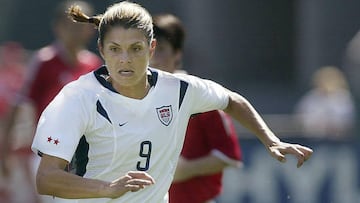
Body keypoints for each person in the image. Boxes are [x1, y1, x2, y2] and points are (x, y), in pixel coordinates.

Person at [31, 2, 313, 203]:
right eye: (115, 50)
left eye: (136, 49)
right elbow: (46, 179)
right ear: (102, 49)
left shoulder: (178, 90)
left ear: (151, 49)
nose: (125, 59)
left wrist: (271, 140)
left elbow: (231, 100)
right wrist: (108, 188)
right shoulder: (78, 98)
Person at [1, 0, 102, 202]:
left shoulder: (94, 65)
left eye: (80, 25)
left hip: (84, 156)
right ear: (58, 27)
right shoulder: (44, 61)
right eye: (70, 25)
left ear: (90, 30)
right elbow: (18, 104)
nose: (75, 31)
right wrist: (4, 151)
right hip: (47, 154)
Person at [150, 13, 242, 203]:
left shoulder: (201, 97)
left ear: (177, 54)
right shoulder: (135, 97)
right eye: (149, 50)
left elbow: (229, 156)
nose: (154, 58)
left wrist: (187, 169)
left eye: (162, 50)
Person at [294, 66, 356, 139]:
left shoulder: (343, 97)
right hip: (313, 140)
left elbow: (347, 121)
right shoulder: (311, 96)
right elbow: (300, 117)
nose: (326, 83)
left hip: (339, 141)